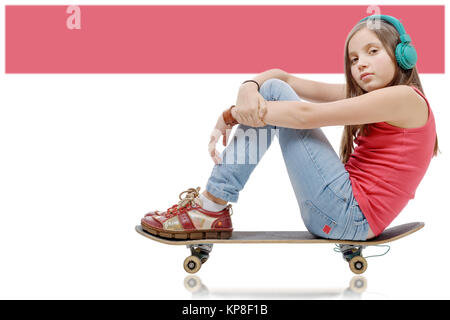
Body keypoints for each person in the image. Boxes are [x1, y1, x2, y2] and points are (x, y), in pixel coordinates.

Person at [141, 15, 439, 241]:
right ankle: (211, 204)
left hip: (348, 215)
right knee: (270, 88)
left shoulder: (404, 99)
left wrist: (232, 114)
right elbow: (286, 79)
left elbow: (305, 115)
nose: (361, 64)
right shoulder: (375, 97)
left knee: (272, 92)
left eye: (373, 51)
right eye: (354, 59)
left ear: (403, 56)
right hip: (342, 212)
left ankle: (210, 206)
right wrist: (249, 87)